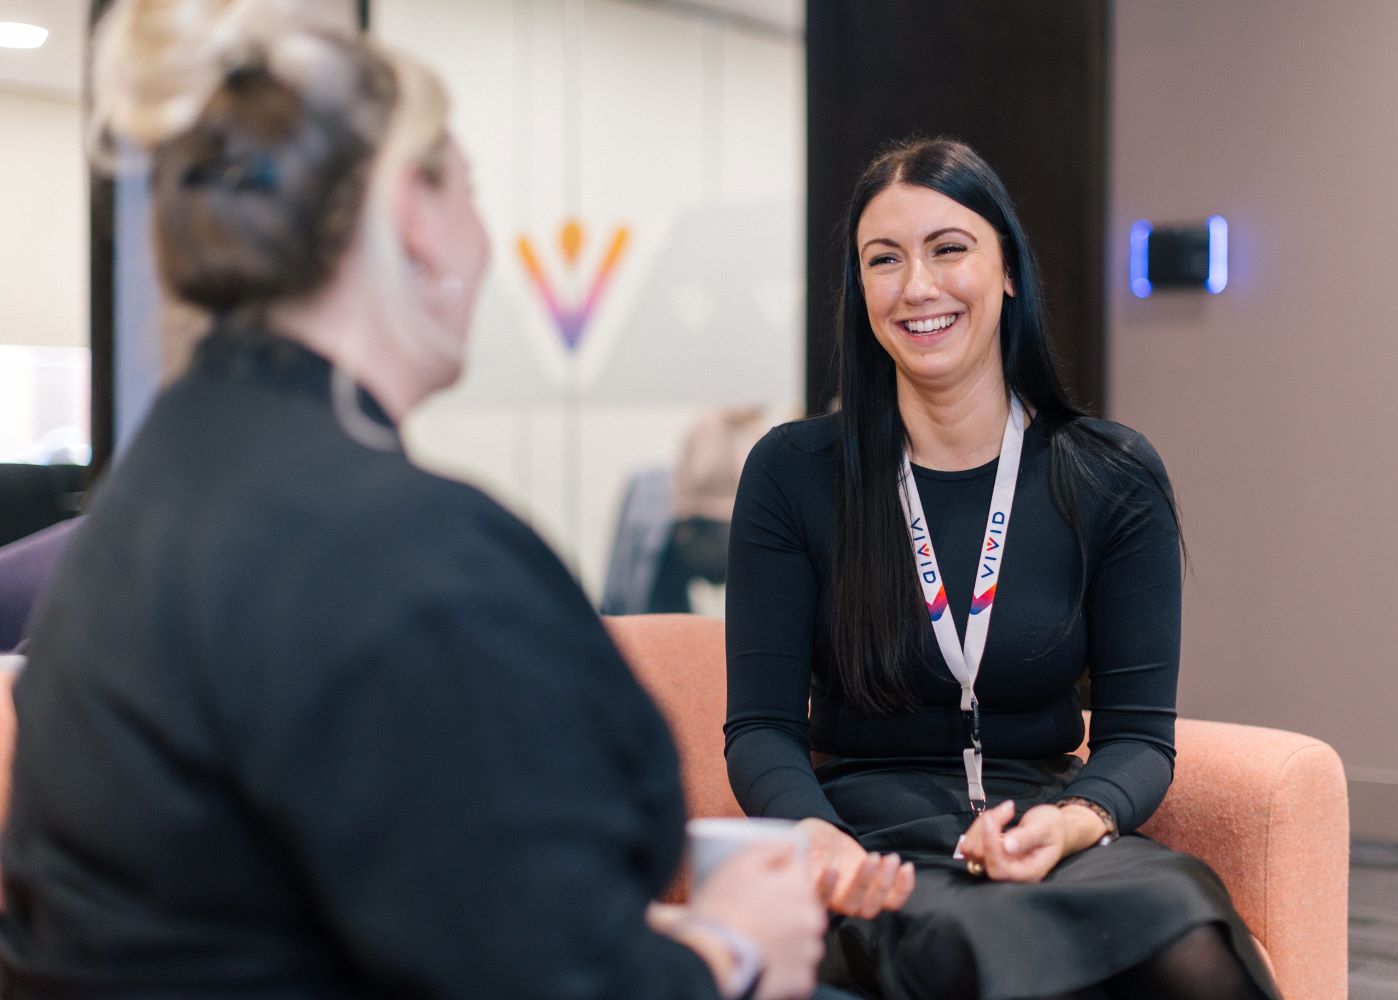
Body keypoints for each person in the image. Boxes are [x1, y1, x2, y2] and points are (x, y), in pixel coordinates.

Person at [0, 1, 829, 997]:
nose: (484, 245)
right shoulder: (415, 555)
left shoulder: (135, 515)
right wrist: (731, 950)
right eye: (470, 191)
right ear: (413, 217)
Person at [724, 137, 1281, 1000]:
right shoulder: (795, 473)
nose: (918, 286)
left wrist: (1070, 823)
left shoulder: (1111, 474)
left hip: (1042, 829)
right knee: (970, 943)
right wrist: (817, 837)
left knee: (1188, 929)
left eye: (950, 249)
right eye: (885, 260)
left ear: (1009, 270)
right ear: (859, 291)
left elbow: (1138, 737)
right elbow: (760, 727)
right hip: (875, 842)